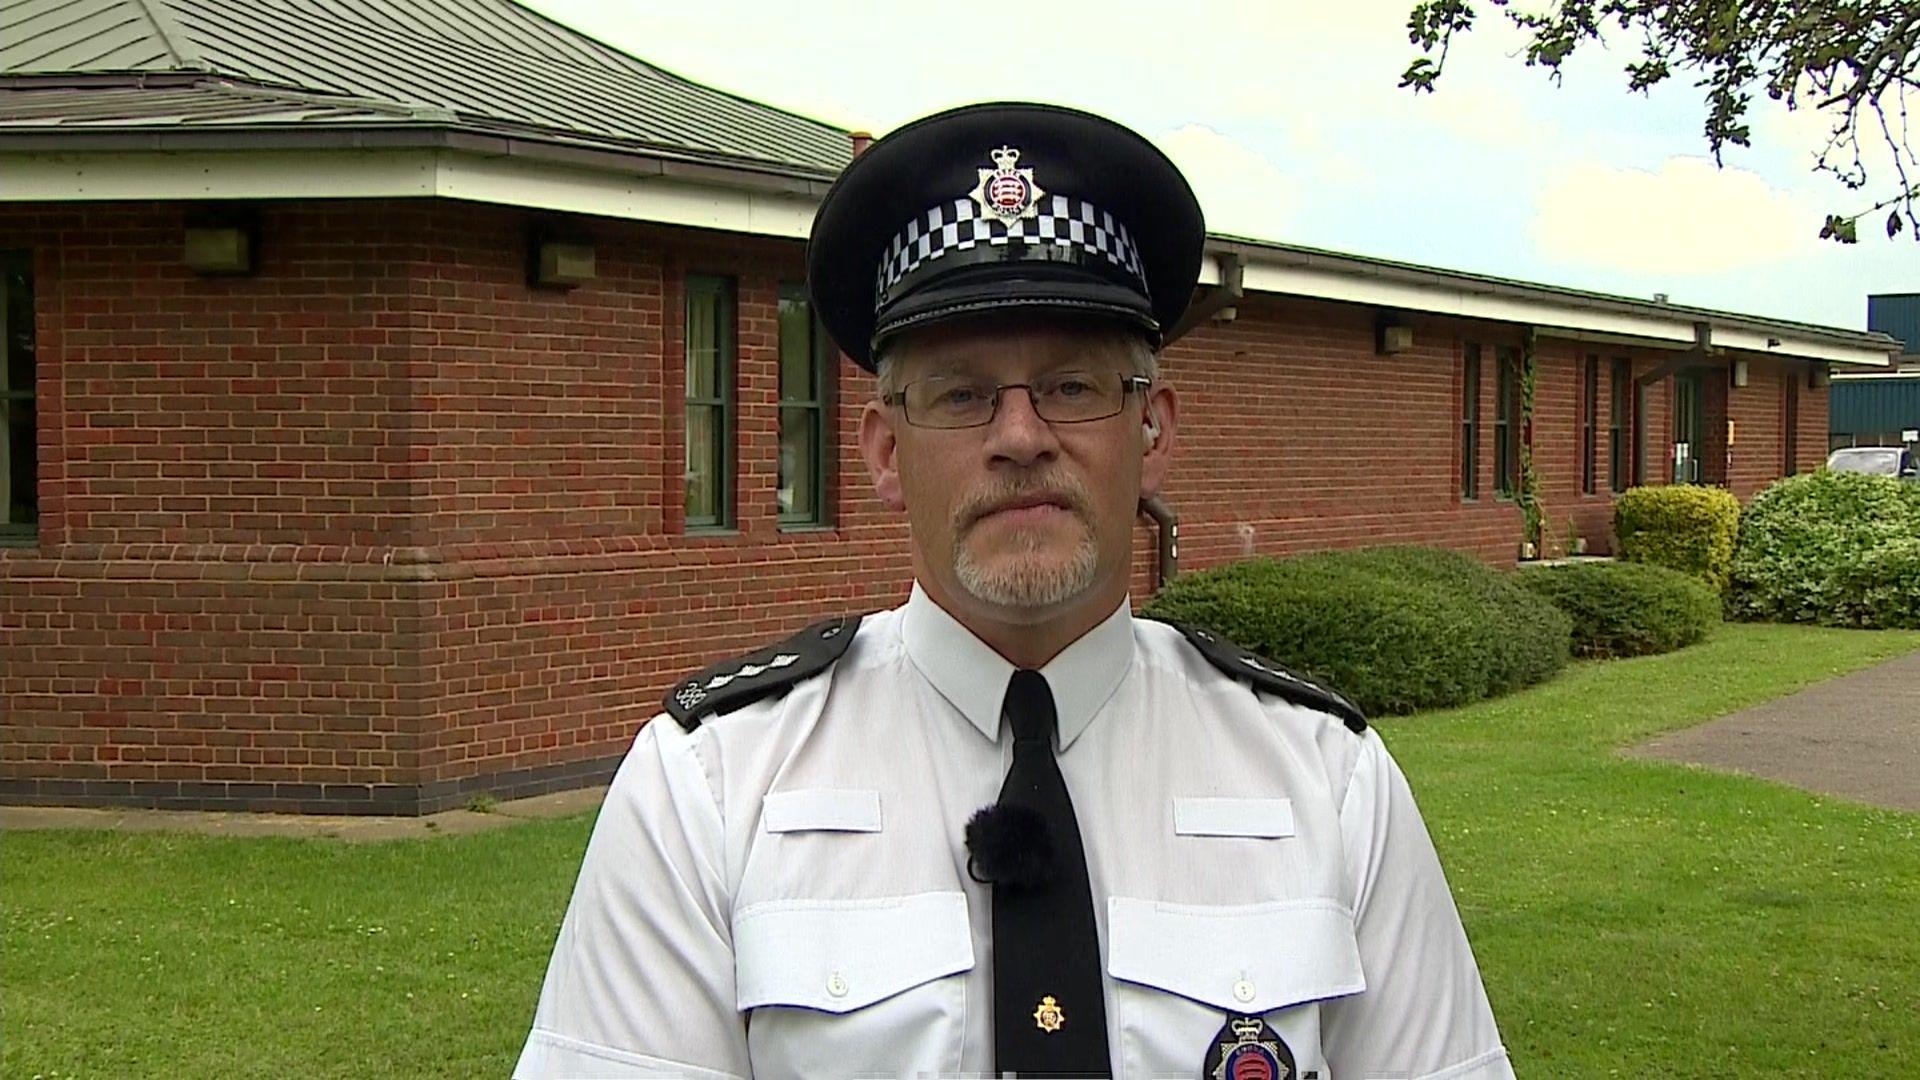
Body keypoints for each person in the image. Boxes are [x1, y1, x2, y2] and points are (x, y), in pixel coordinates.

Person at [515, 102, 1513, 1080]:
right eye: (961, 394)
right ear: (884, 452)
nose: (1023, 436)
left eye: (1074, 388)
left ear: (1152, 429)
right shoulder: (712, 787)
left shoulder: (1323, 778)